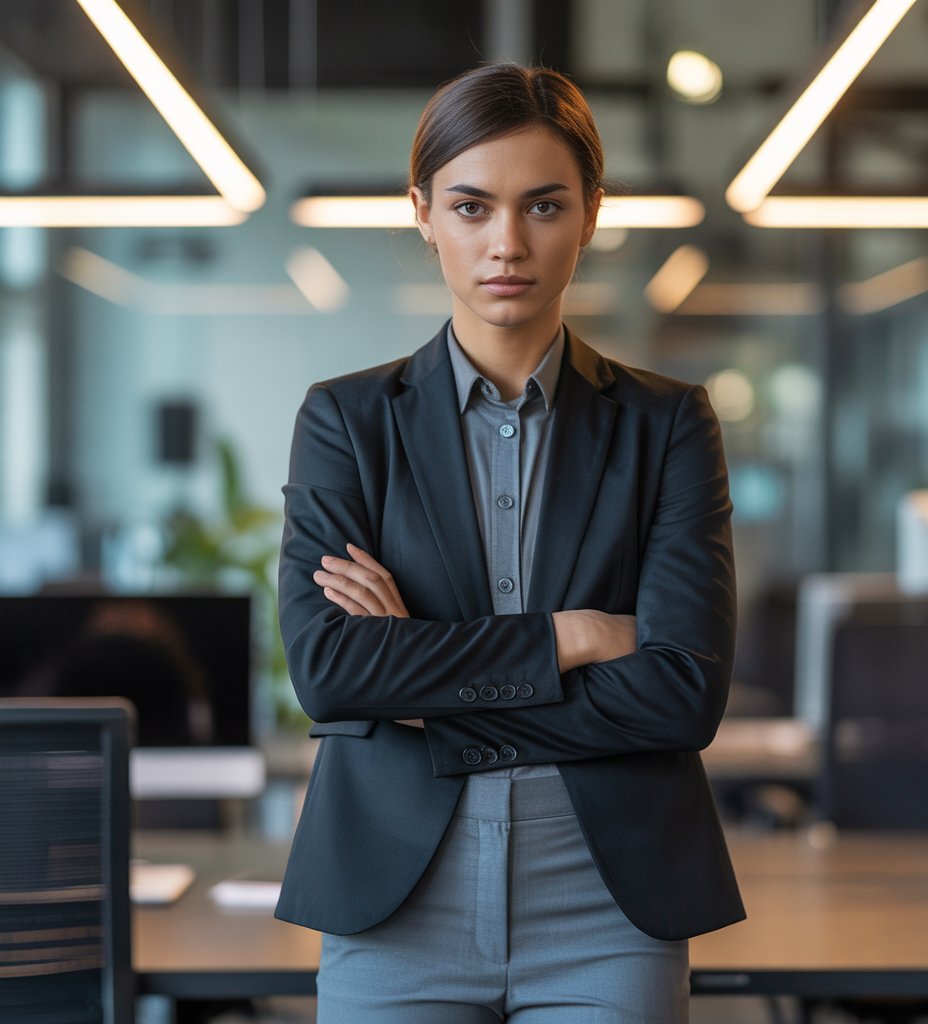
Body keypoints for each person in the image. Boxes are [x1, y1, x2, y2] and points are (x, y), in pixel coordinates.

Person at [275, 61, 744, 1024]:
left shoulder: (668, 423)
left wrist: (421, 686)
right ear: (422, 211)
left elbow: (682, 692)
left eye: (542, 206)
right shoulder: (346, 421)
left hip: (608, 903)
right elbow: (330, 671)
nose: (506, 243)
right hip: (396, 902)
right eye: (471, 205)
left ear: (591, 212)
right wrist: (568, 637)